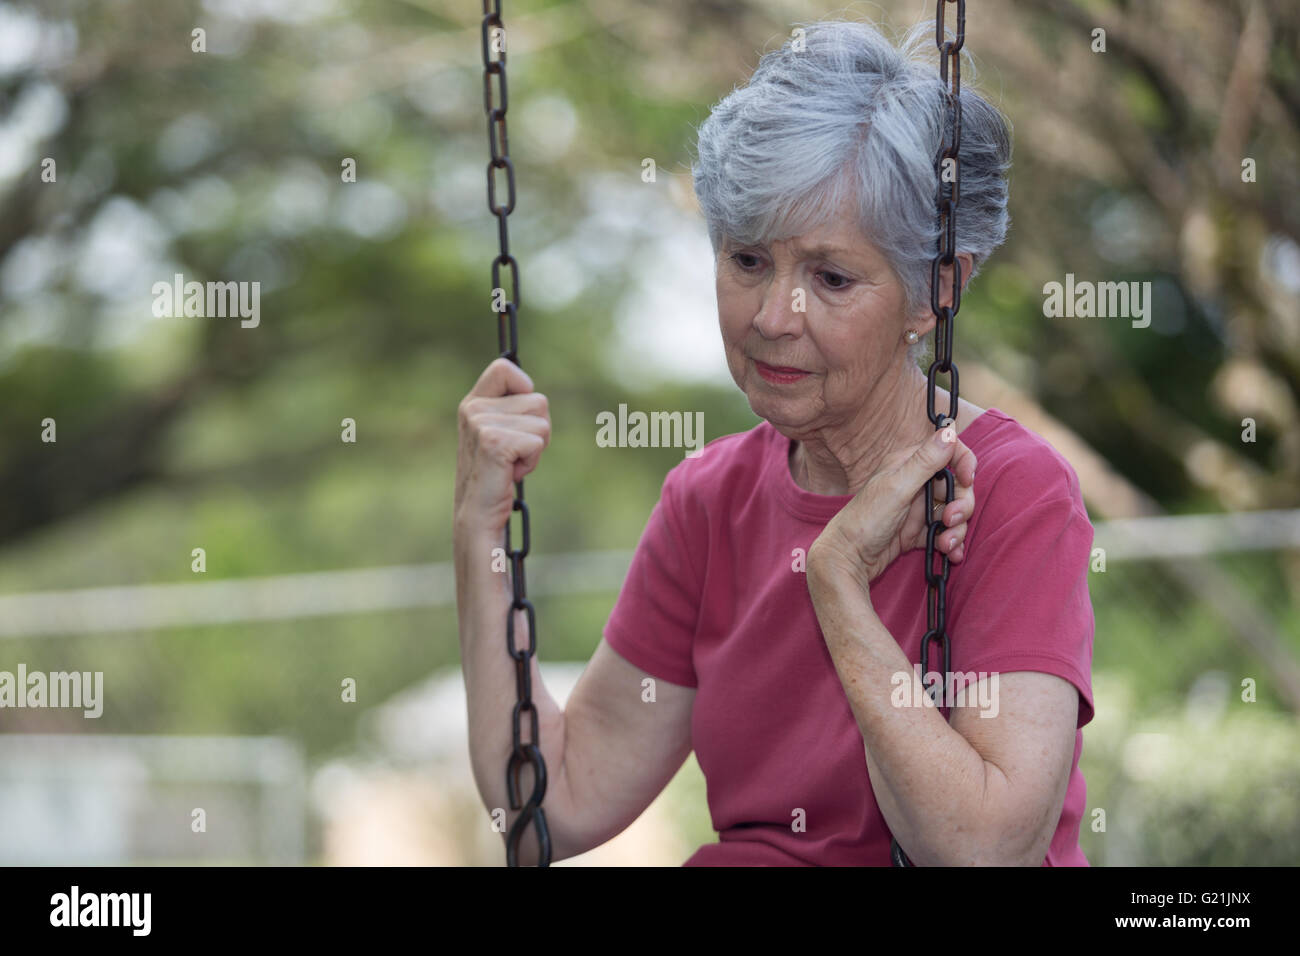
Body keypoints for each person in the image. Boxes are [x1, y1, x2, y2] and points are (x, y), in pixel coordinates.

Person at [454, 17, 1095, 865]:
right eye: (748, 261)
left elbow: (981, 848)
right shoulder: (708, 500)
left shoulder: (1015, 491)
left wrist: (837, 583)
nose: (770, 318)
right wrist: (479, 537)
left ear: (933, 291)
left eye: (830, 278)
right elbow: (549, 810)